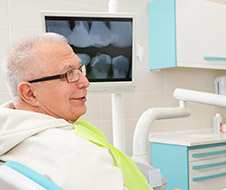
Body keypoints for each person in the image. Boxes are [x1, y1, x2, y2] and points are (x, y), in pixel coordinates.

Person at [0, 33, 150, 190]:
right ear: (29, 93)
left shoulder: (9, 134)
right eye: (68, 74)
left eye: (79, 69)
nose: (85, 82)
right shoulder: (77, 154)